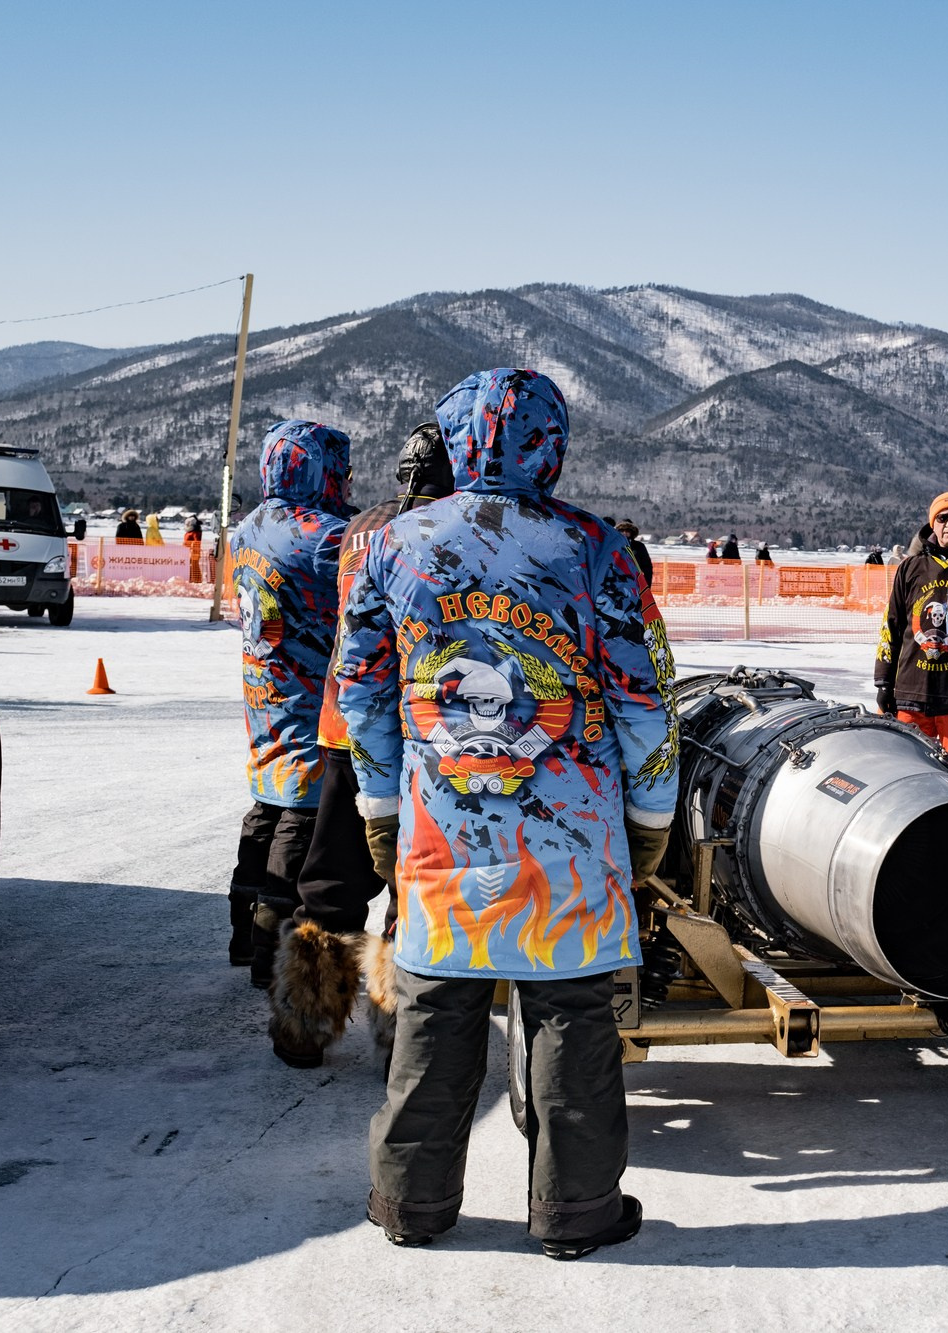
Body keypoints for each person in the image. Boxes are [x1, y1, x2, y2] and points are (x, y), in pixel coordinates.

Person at [335, 369, 675, 1260]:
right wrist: (652, 816)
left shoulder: (393, 545)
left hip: (442, 832)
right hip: (573, 840)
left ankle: (411, 1202)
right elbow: (646, 702)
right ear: (549, 443)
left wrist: (377, 805)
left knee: (435, 1013)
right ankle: (575, 1210)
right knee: (572, 1020)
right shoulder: (596, 548)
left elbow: (362, 694)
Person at [268, 424, 456, 1069]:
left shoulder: (360, 528)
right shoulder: (454, 530)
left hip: (344, 726)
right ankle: (401, 1034)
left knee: (329, 885)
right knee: (414, 886)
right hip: (424, 733)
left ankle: (302, 1026)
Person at [227, 422, 350, 986]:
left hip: (263, 688)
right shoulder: (321, 536)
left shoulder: (250, 525)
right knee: (300, 814)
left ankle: (240, 932)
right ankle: (268, 949)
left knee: (263, 805)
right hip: (307, 692)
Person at [875, 493, 948, 778]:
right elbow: (892, 625)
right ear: (932, 523)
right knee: (906, 772)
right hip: (912, 690)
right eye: (942, 518)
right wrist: (884, 681)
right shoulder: (910, 567)